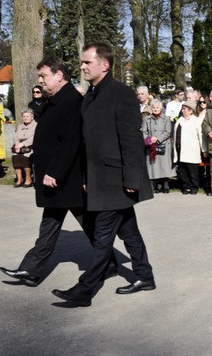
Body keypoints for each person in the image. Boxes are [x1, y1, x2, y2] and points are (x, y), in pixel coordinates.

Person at [0, 55, 117, 288]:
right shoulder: (55, 100)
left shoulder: (71, 100)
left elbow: (70, 141)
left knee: (89, 224)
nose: (40, 80)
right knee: (51, 224)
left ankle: (111, 263)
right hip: (57, 177)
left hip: (66, 177)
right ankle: (30, 270)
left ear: (59, 75)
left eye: (43, 76)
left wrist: (55, 172)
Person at [52, 42, 155, 306]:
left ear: (104, 65)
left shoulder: (121, 93)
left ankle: (85, 290)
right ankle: (145, 275)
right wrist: (87, 177)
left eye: (87, 62)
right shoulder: (92, 94)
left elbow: (131, 140)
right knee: (128, 231)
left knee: (102, 236)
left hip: (117, 179)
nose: (82, 66)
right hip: (100, 179)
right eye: (82, 62)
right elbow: (89, 142)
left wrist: (133, 179)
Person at [173, 100, 206, 194]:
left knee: (192, 172)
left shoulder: (196, 121)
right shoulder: (180, 120)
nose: (183, 111)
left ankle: (194, 187)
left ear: (191, 110)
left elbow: (201, 136)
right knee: (182, 171)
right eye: (182, 109)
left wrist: (204, 149)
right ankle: (186, 187)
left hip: (191, 151)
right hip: (180, 150)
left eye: (185, 109)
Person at [142, 99, 173, 193]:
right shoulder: (147, 119)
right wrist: (149, 139)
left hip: (163, 145)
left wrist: (157, 139)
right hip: (151, 145)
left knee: (164, 165)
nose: (155, 109)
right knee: (153, 166)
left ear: (161, 108)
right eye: (153, 107)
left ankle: (165, 185)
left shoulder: (166, 118)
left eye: (157, 107)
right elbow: (143, 131)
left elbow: (167, 132)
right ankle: (154, 186)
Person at [12, 109, 36, 188]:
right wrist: (17, 144)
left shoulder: (35, 125)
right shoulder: (20, 126)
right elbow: (16, 136)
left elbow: (33, 138)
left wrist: (22, 144)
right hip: (20, 147)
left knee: (25, 157)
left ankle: (28, 179)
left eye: (27, 116)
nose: (25, 118)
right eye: (24, 116)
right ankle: (20, 179)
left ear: (32, 117)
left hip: (31, 147)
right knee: (15, 157)